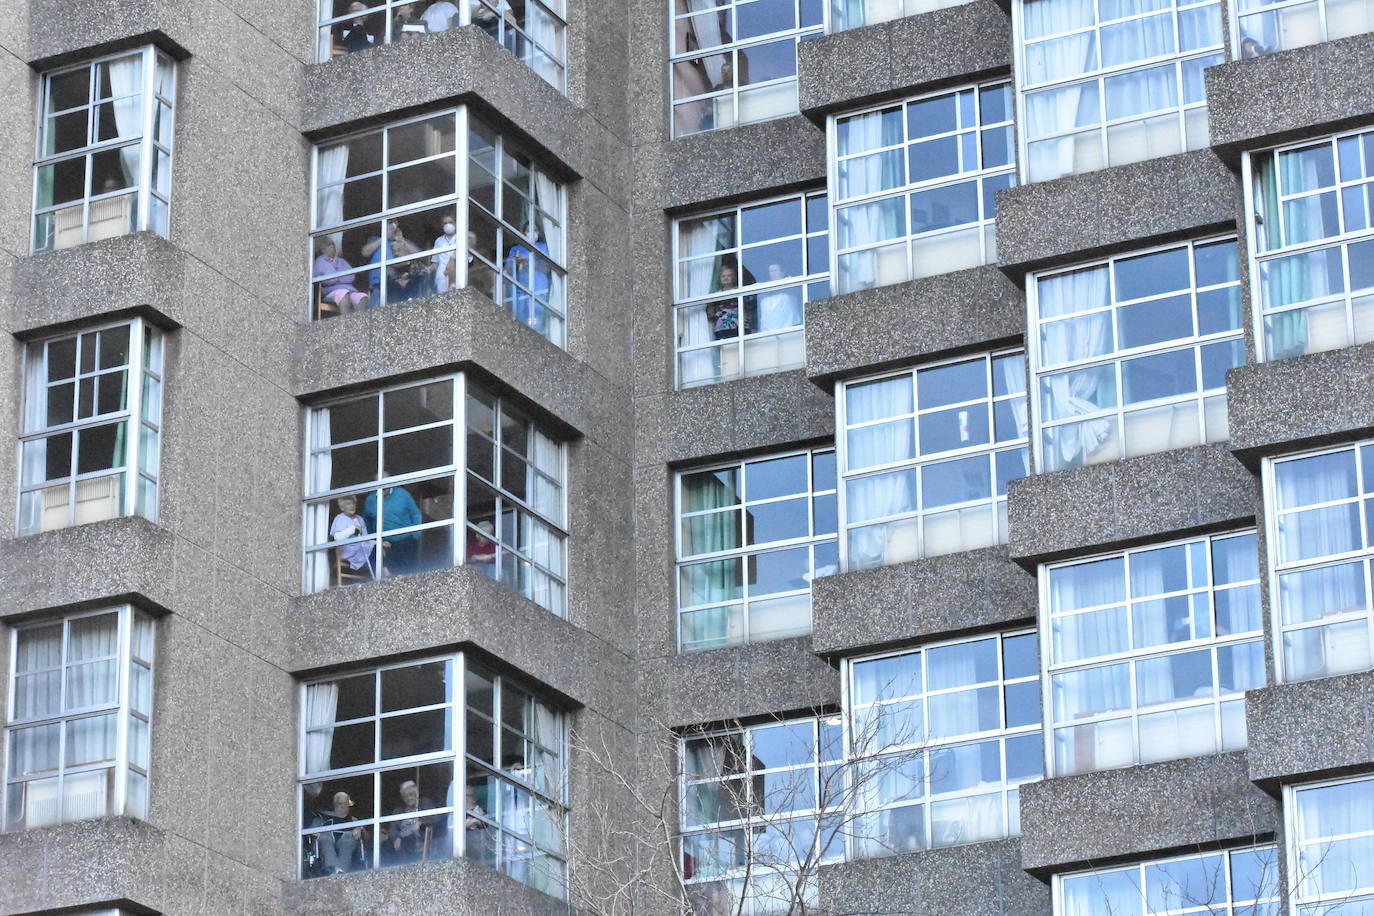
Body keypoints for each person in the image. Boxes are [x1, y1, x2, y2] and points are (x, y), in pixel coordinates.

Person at [362, 475, 422, 576]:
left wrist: (415, 534)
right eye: (380, 482)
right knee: (388, 575)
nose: (383, 484)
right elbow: (367, 521)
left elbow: (415, 513)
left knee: (409, 574)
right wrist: (375, 540)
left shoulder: (402, 494)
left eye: (385, 480)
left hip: (406, 540)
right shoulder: (370, 500)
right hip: (385, 544)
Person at [362, 223, 428, 304]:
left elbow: (421, 256)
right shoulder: (375, 240)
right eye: (389, 228)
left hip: (398, 283)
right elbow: (365, 252)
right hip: (377, 284)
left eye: (393, 228)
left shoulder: (403, 242)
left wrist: (402, 240)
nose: (392, 230)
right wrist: (384, 237)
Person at [311, 791, 367, 875]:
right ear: (334, 805)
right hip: (326, 842)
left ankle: (340, 871)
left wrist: (360, 829)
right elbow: (312, 831)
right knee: (325, 839)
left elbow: (366, 838)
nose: (343, 806)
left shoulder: (354, 820)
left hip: (346, 843)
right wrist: (317, 833)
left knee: (348, 841)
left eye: (346, 804)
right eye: (340, 803)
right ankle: (332, 869)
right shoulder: (322, 817)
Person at [387, 780, 440, 865]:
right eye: (405, 796)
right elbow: (392, 830)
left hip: (423, 841)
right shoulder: (398, 811)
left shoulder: (425, 803)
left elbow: (436, 818)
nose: (408, 798)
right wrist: (397, 837)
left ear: (416, 794)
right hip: (405, 844)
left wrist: (421, 822)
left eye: (410, 794)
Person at [314, 241, 371, 314]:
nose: (332, 247)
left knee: (362, 297)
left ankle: (360, 320)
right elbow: (318, 279)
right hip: (331, 290)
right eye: (329, 245)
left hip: (349, 290)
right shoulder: (320, 261)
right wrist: (334, 280)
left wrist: (338, 279)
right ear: (323, 249)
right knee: (344, 295)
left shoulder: (342, 261)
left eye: (333, 245)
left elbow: (351, 276)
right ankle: (346, 320)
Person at [330, 495, 375, 578]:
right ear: (342, 507)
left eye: (353, 504)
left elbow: (366, 538)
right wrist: (352, 530)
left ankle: (381, 575)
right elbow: (337, 537)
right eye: (348, 504)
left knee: (380, 548)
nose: (352, 506)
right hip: (349, 552)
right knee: (375, 551)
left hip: (362, 550)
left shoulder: (360, 519)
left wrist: (379, 542)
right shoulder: (340, 518)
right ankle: (380, 576)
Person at [755, 263, 802, 331]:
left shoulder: (790, 285)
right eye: (771, 271)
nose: (773, 273)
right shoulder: (763, 290)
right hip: (767, 331)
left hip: (790, 328)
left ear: (783, 272)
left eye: (776, 270)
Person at [705, 263, 740, 341]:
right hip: (721, 329)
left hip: (738, 326)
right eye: (723, 276)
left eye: (729, 275)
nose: (726, 278)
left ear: (733, 277)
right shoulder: (716, 295)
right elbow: (710, 313)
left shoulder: (740, 291)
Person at [431, 213, 459, 294]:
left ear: (455, 223)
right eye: (445, 223)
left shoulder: (461, 237)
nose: (448, 225)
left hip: (457, 274)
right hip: (441, 276)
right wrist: (426, 270)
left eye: (450, 222)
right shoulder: (439, 241)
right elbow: (435, 263)